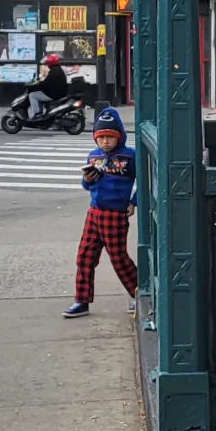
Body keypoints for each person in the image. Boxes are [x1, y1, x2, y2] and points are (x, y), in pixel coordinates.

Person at [64, 107, 138, 318]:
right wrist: (87, 180)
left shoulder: (129, 156)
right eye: (101, 137)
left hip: (115, 214)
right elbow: (88, 186)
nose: (105, 141)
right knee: (85, 256)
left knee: (119, 259)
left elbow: (145, 180)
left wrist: (134, 202)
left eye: (110, 137)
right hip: (94, 212)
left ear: (120, 137)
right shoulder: (93, 156)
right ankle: (82, 300)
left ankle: (138, 293)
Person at [28, 53, 69, 123]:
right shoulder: (57, 69)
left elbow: (46, 83)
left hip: (53, 94)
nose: (47, 64)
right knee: (38, 95)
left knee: (32, 95)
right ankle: (40, 113)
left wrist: (38, 84)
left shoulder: (54, 72)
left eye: (48, 63)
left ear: (51, 63)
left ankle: (37, 114)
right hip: (58, 92)